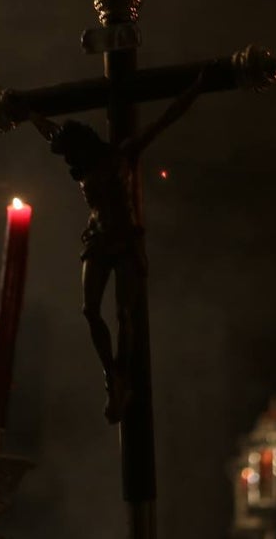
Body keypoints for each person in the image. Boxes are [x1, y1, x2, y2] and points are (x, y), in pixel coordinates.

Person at [27, 73, 204, 423]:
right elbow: (50, 131)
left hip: (123, 240)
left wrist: (194, 89)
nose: (66, 160)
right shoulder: (81, 166)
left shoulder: (120, 155)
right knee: (89, 310)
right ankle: (112, 375)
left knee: (125, 314)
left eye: (69, 153)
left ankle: (123, 378)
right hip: (96, 239)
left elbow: (164, 120)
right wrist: (27, 111)